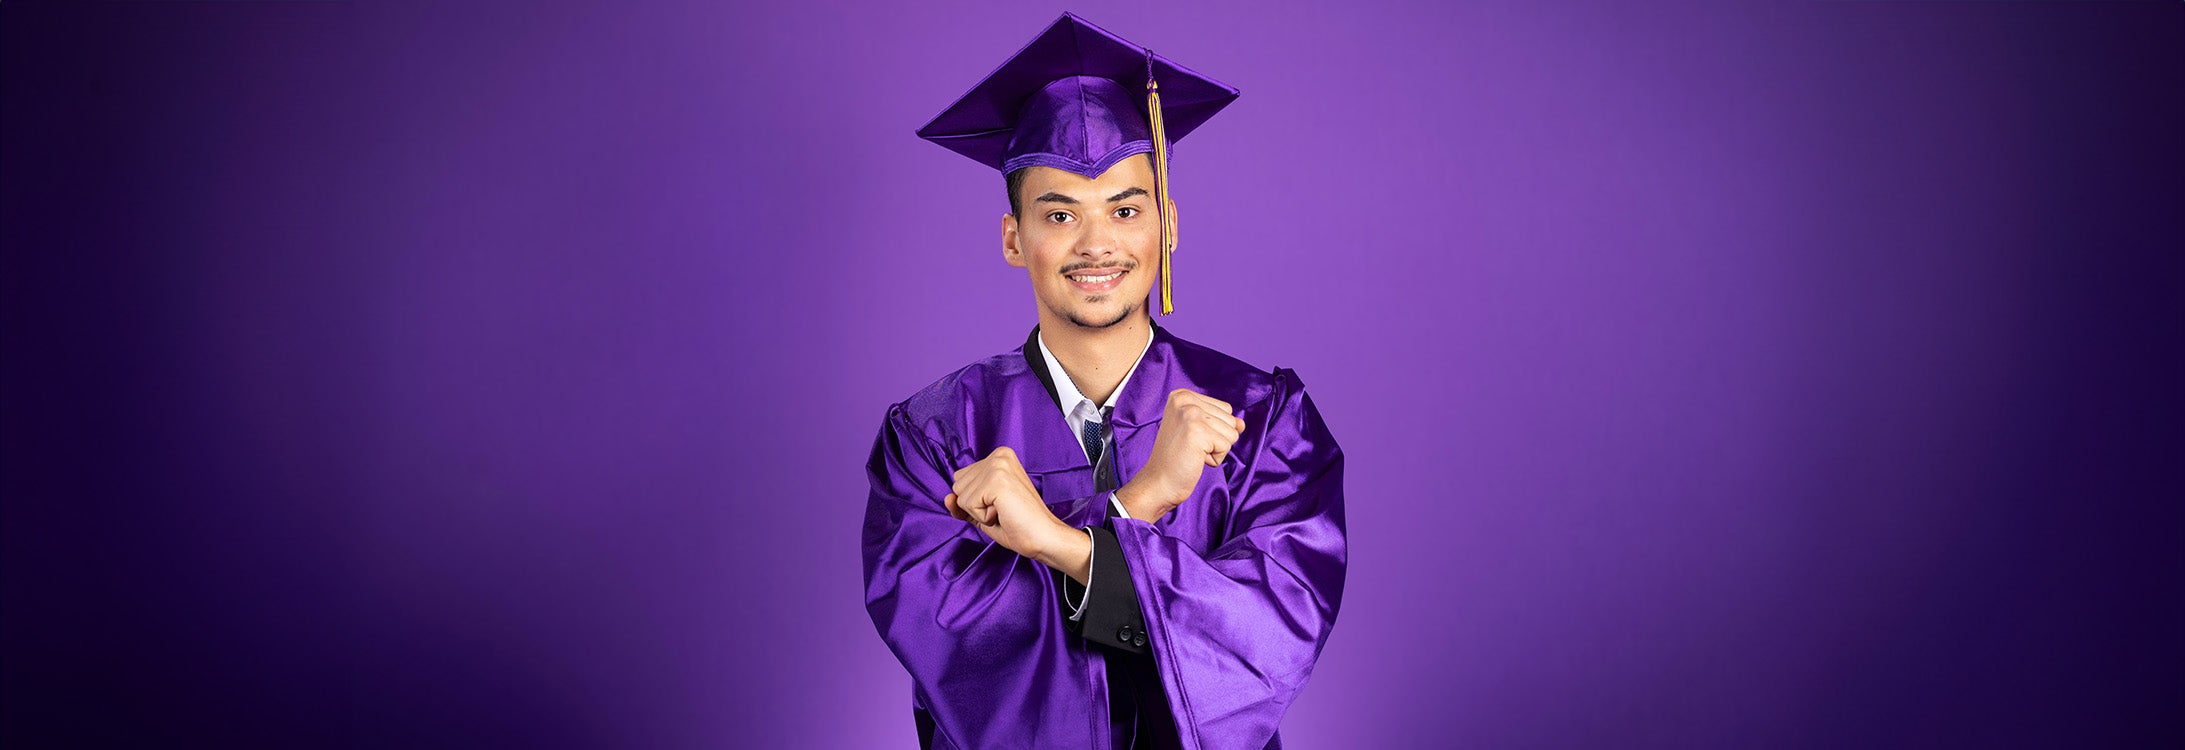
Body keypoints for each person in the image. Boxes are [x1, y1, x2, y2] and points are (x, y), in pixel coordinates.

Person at [861, 13, 1347, 750]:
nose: (1096, 244)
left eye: (1126, 209)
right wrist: (1139, 502)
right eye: (1059, 214)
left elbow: (1269, 636)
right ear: (1013, 239)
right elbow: (954, 658)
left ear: (1168, 226)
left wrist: (1063, 545)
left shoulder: (1263, 418)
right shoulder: (933, 438)